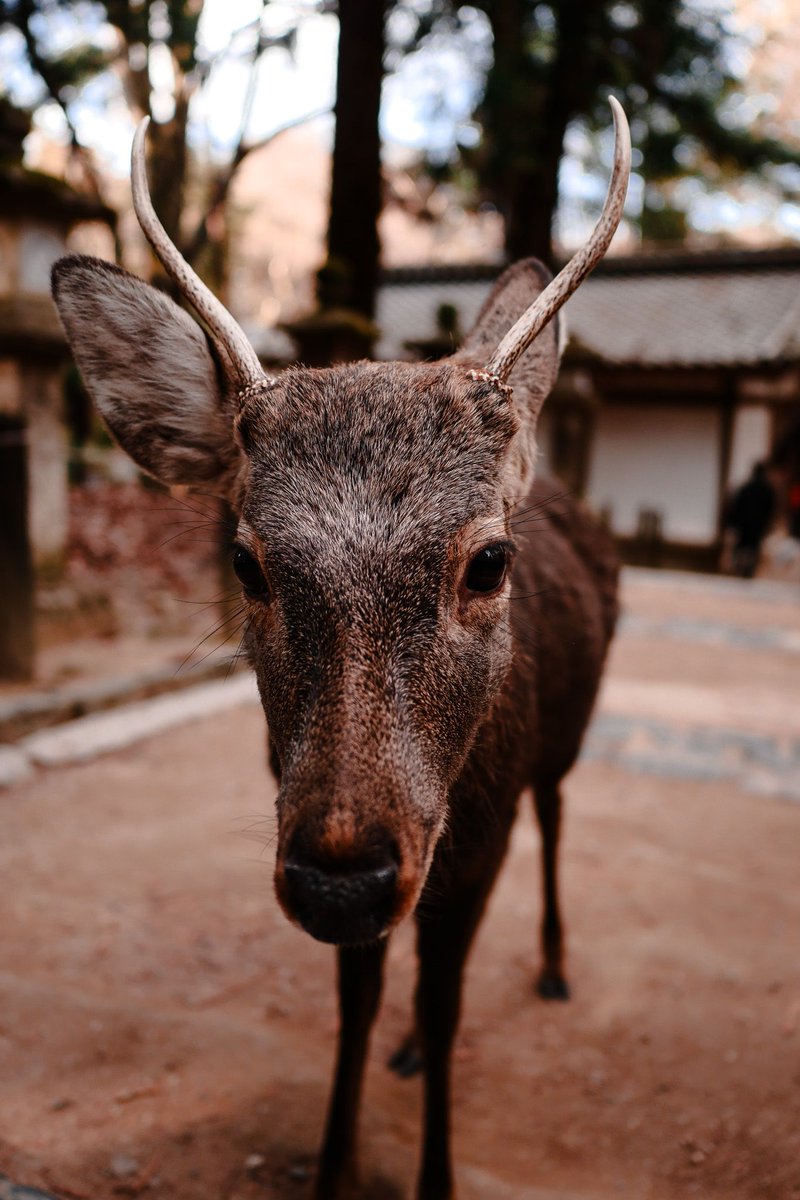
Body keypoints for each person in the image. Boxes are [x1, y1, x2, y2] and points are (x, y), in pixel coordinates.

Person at [724, 462, 776, 578]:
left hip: (744, 524)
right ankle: (749, 570)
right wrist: (768, 525)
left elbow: (736, 506)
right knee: (753, 547)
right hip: (758, 525)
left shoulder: (746, 487)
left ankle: (738, 567)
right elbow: (770, 510)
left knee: (742, 545)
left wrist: (732, 522)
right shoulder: (767, 490)